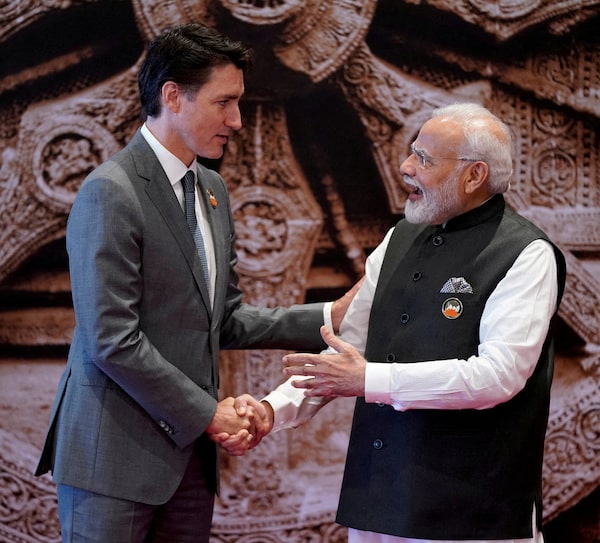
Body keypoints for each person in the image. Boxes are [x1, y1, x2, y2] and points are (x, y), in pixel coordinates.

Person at [34, 23, 354, 543]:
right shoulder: (110, 191)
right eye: (224, 103)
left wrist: (328, 315)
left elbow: (223, 317)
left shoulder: (212, 190)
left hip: (189, 463)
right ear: (172, 97)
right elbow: (111, 338)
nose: (237, 120)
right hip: (113, 461)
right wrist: (209, 414)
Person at [262, 103, 567, 543]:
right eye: (412, 152)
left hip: (471, 516)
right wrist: (270, 411)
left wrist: (369, 380)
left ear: (474, 175)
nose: (406, 167)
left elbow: (498, 376)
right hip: (377, 503)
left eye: (424, 158)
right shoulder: (398, 238)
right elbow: (348, 353)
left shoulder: (526, 254)